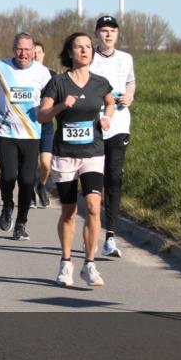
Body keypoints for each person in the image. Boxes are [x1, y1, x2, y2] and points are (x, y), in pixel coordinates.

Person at [39, 32, 115, 287]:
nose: (84, 51)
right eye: (78, 47)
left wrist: (106, 117)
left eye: (88, 47)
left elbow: (110, 102)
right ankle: (65, 263)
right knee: (69, 212)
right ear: (69, 53)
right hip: (66, 156)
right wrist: (61, 106)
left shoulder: (101, 83)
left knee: (94, 206)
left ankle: (90, 264)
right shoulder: (58, 83)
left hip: (93, 153)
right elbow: (42, 116)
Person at [0, 33, 53, 240]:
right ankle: (7, 206)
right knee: (8, 176)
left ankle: (21, 223)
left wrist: (49, 108)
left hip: (32, 134)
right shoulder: (0, 67)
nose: (23, 53)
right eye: (19, 49)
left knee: (27, 181)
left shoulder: (42, 73)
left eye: (27, 49)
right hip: (6, 132)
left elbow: (51, 95)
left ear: (33, 51)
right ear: (14, 50)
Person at [89, 15, 136, 257]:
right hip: (94, 126)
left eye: (113, 31)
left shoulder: (126, 59)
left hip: (119, 125)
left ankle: (111, 236)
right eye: (104, 31)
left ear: (117, 34)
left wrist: (129, 95)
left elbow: (131, 83)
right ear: (96, 34)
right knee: (94, 181)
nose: (108, 35)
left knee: (114, 178)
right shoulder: (90, 59)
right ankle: (93, 231)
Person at [33, 41, 57, 208]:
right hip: (28, 125)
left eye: (39, 52)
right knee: (29, 164)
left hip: (46, 125)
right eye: (33, 52)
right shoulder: (24, 74)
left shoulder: (52, 75)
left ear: (43, 54)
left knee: (46, 164)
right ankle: (28, 195)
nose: (36, 55)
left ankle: (40, 186)